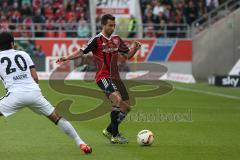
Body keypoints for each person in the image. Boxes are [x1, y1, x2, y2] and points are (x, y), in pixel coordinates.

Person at [0, 32, 92, 154]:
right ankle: (81, 143)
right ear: (12, 43)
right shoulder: (23, 54)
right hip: (34, 92)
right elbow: (35, 77)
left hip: (15, 95)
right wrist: (34, 94)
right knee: (57, 118)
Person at [56, 14, 141, 144]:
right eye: (110, 25)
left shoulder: (117, 39)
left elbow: (127, 56)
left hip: (115, 77)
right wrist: (67, 57)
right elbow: (81, 52)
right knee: (117, 99)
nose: (112, 28)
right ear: (103, 25)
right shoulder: (96, 40)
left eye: (114, 25)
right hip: (103, 77)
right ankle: (115, 135)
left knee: (126, 108)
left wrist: (135, 48)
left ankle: (108, 130)